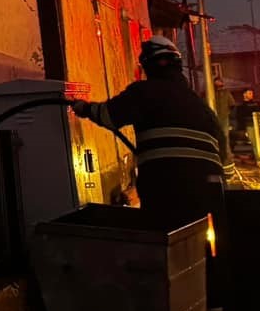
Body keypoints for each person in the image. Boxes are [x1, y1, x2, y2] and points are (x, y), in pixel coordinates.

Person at [70, 36, 230, 232]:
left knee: (166, 239)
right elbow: (223, 149)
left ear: (149, 65)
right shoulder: (199, 104)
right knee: (202, 247)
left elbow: (109, 115)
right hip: (209, 189)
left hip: (167, 185)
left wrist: (83, 108)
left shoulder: (144, 92)